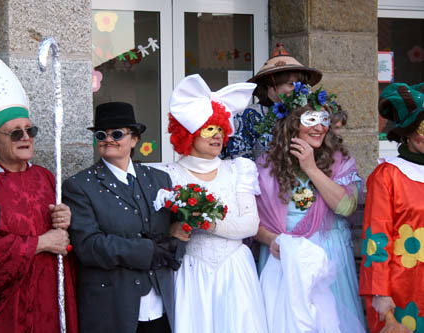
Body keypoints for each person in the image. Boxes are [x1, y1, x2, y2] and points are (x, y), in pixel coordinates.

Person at [0, 42, 78, 333]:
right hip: (9, 306)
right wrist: (40, 243)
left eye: (30, 130)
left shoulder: (46, 177)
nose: (26, 137)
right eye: (15, 133)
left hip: (51, 292)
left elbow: (63, 237)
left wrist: (66, 220)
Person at [155, 74, 268, 333]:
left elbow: (250, 224)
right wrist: (176, 229)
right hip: (190, 272)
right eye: (209, 129)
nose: (217, 136)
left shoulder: (239, 169)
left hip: (235, 271)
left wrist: (205, 221)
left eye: (220, 129)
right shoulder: (167, 175)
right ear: (188, 133)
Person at [63, 101, 183, 333]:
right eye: (101, 135)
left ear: (134, 139)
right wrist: (147, 251)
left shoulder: (160, 180)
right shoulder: (78, 185)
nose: (108, 140)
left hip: (160, 302)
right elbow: (89, 246)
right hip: (113, 305)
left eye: (116, 133)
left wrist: (178, 242)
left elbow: (173, 231)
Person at [255, 83, 366, 332]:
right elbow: (253, 221)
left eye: (324, 119)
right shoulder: (265, 164)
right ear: (292, 123)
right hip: (283, 256)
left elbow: (346, 207)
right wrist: (271, 239)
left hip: (328, 252)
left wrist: (311, 168)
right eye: (311, 119)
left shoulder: (339, 160)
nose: (319, 127)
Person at [359, 82, 424, 333]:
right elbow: (376, 240)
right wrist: (380, 295)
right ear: (408, 132)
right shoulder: (387, 175)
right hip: (402, 290)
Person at [221, 43, 322, 160]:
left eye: (300, 85)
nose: (297, 90)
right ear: (271, 84)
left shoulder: (305, 114)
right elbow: (238, 157)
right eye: (291, 84)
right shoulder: (249, 115)